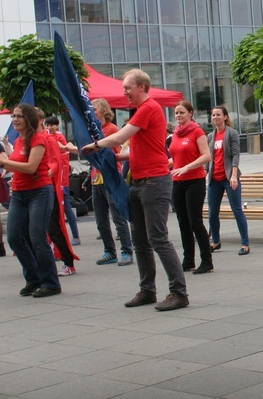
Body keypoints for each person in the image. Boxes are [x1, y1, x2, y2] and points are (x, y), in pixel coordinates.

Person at [81, 68, 189, 311]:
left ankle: (179, 293)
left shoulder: (149, 108)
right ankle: (148, 290)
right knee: (140, 240)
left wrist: (97, 145)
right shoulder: (142, 111)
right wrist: (113, 158)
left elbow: (120, 137)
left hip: (154, 181)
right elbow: (137, 148)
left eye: (127, 88)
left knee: (157, 238)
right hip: (140, 182)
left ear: (141, 87)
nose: (124, 92)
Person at [0, 104, 61, 297]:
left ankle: (51, 283)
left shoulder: (39, 138)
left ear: (29, 119)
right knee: (14, 238)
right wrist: (7, 164)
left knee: (37, 238)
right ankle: (34, 279)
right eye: (13, 116)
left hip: (39, 192)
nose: (15, 119)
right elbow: (15, 164)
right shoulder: (18, 140)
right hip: (19, 193)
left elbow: (31, 167)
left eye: (19, 116)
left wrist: (4, 161)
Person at [169, 100, 213, 274]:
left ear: (190, 113)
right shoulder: (175, 133)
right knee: (183, 223)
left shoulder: (197, 131)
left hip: (195, 181)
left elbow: (206, 156)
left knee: (195, 222)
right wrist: (166, 164)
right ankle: (188, 260)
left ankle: (207, 260)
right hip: (178, 181)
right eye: (176, 113)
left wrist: (187, 167)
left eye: (182, 112)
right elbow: (177, 157)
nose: (179, 116)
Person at [89, 98, 134, 267]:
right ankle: (109, 250)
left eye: (95, 109)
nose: (92, 111)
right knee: (101, 219)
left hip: (110, 176)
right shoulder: (93, 130)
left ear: (103, 110)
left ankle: (126, 250)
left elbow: (116, 151)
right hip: (96, 178)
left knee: (118, 216)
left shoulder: (111, 129)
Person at [206, 106, 250, 256]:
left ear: (225, 117)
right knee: (212, 212)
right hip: (214, 178)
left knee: (237, 210)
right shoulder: (210, 136)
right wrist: (206, 173)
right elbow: (208, 158)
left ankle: (245, 244)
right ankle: (216, 241)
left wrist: (234, 175)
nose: (215, 117)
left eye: (218, 115)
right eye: (213, 115)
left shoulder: (232, 133)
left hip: (228, 178)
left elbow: (235, 154)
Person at [44, 116, 80, 246]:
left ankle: (75, 236)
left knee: (66, 208)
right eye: (47, 125)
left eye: (52, 125)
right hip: (55, 177)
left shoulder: (58, 137)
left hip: (61, 179)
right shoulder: (49, 136)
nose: (49, 127)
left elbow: (61, 147)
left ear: (57, 125)